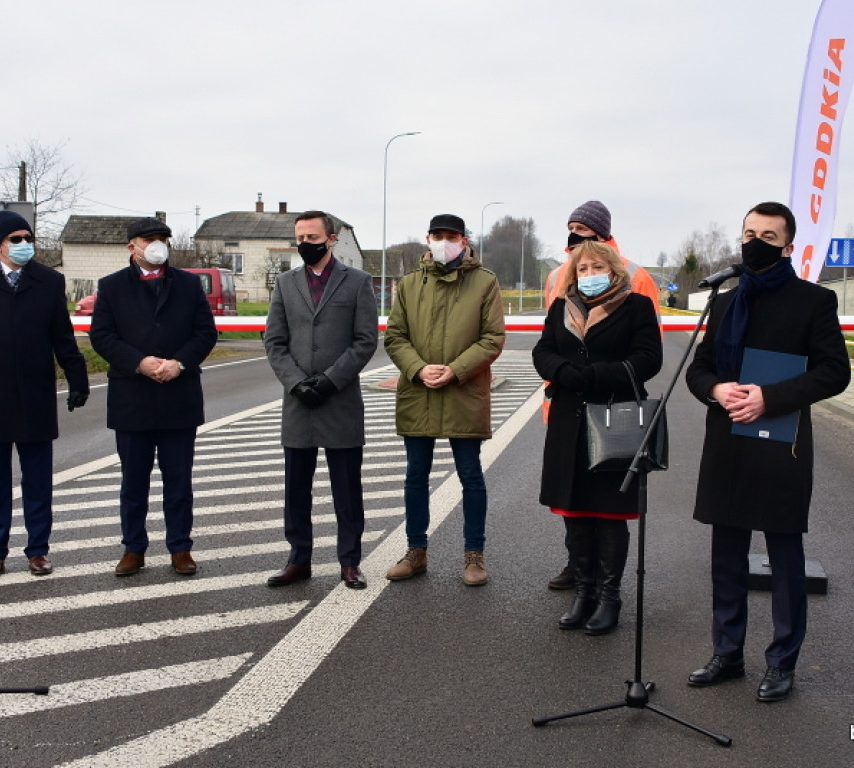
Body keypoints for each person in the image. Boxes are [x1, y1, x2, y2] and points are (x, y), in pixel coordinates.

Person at [685, 201, 849, 702]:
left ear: (788, 246)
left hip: (781, 446)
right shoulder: (726, 301)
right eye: (749, 233)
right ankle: (727, 652)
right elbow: (699, 368)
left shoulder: (814, 301)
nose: (755, 242)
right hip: (728, 441)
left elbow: (833, 372)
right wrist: (717, 390)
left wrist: (769, 396)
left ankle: (782, 661)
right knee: (726, 557)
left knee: (783, 558)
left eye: (768, 236)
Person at [0, 209, 90, 578]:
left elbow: (62, 336)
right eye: (16, 239)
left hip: (36, 394)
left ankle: (38, 550)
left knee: (38, 479)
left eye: (28, 238)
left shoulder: (48, 281)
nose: (25, 245)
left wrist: (77, 378)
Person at [533, 241, 662, 634]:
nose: (589, 274)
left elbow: (648, 359)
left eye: (596, 266)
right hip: (568, 422)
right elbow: (543, 351)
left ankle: (610, 597)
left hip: (613, 420)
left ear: (614, 269)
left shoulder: (636, 306)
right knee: (575, 515)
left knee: (608, 516)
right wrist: (566, 373)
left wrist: (595, 375)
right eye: (582, 268)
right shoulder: (562, 308)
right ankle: (583, 592)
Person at [89, 217, 217, 577]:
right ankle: (133, 548)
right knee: (133, 481)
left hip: (179, 397)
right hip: (133, 399)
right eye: (150, 239)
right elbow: (102, 335)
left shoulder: (189, 285)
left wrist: (180, 363)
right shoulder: (111, 287)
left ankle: (180, 548)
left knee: (179, 481)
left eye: (163, 238)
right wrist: (138, 362)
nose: (158, 244)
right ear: (133, 246)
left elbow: (205, 333)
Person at [384, 214, 505, 586]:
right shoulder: (408, 284)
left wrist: (455, 370)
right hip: (419, 391)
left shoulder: (485, 282)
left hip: (463, 391)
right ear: (428, 238)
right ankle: (416, 552)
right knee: (415, 476)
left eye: (450, 236)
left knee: (471, 476)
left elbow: (492, 337)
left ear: (464, 241)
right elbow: (395, 336)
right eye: (437, 235)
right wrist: (418, 369)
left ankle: (474, 556)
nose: (443, 242)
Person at [264, 210, 378, 590]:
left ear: (331, 240)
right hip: (298, 404)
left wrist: (330, 381)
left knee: (347, 490)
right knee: (296, 490)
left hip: (340, 400)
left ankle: (349, 562)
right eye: (300, 238)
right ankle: (299, 559)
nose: (305, 245)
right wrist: (296, 383)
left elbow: (365, 341)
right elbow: (274, 341)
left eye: (312, 238)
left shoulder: (358, 282)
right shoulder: (284, 283)